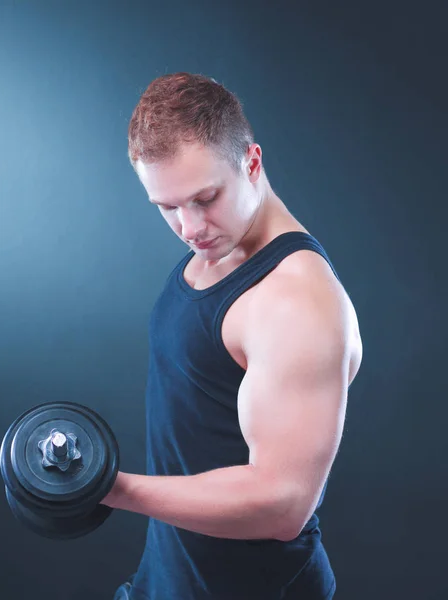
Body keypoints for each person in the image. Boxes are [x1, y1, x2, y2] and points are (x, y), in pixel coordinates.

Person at [101, 72, 363, 599]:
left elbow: (283, 504)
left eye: (205, 197)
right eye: (168, 207)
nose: (190, 227)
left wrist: (111, 488)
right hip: (172, 578)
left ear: (252, 162)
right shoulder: (217, 247)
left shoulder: (296, 301)